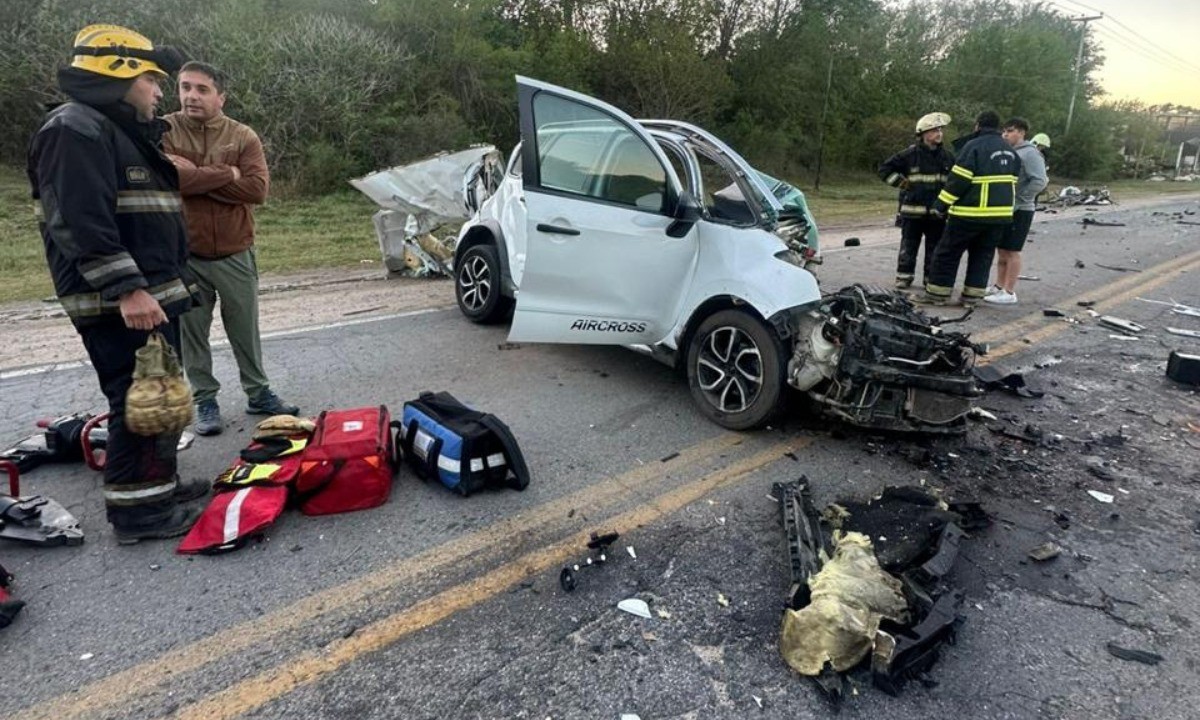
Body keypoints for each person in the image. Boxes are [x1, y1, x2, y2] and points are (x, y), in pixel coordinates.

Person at [27, 24, 208, 542]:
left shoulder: (112, 130)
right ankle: (139, 514)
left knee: (160, 398)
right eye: (152, 80)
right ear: (120, 74)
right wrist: (127, 288)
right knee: (137, 402)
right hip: (121, 302)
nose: (159, 92)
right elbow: (79, 220)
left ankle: (159, 487)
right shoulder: (74, 129)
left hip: (147, 295)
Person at [163, 61, 298, 436]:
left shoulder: (242, 136)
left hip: (236, 251)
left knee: (244, 330)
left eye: (202, 89)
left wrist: (194, 177)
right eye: (185, 87)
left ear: (220, 97)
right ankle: (205, 400)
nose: (191, 96)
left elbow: (257, 190)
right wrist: (227, 173)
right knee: (193, 334)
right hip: (187, 255)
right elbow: (169, 180)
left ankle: (258, 393)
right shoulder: (164, 130)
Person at [916, 111, 1021, 306]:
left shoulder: (973, 147)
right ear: (998, 127)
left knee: (947, 253)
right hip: (1000, 217)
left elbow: (958, 181)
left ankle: (938, 295)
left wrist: (940, 205)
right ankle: (972, 297)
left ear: (977, 125)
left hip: (969, 213)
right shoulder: (1010, 151)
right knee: (982, 256)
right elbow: (1013, 181)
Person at [878, 112, 955, 289]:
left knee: (935, 249)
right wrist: (903, 184)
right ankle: (904, 277)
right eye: (934, 130)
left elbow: (954, 181)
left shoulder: (948, 157)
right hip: (912, 212)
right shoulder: (908, 155)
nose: (939, 134)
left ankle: (930, 279)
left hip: (937, 213)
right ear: (923, 133)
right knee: (908, 246)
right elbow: (884, 170)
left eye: (940, 130)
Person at [985, 118, 1048, 306]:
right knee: (1002, 249)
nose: (1005, 135)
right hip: (1006, 208)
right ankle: (998, 286)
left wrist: (1022, 198)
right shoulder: (1009, 151)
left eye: (1010, 131)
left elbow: (1040, 180)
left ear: (1021, 132)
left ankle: (1009, 291)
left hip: (1021, 209)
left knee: (1012, 251)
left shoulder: (1031, 153)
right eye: (1004, 131)